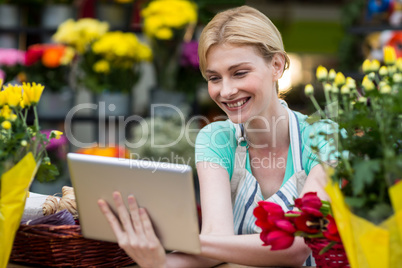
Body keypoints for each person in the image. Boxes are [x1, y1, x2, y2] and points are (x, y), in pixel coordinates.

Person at [98, 5, 331, 267]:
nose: (226, 91)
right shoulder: (216, 138)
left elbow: (298, 244)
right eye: (214, 78)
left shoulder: (326, 139)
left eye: (239, 73)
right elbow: (217, 239)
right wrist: (158, 262)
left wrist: (174, 241)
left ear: (276, 65)